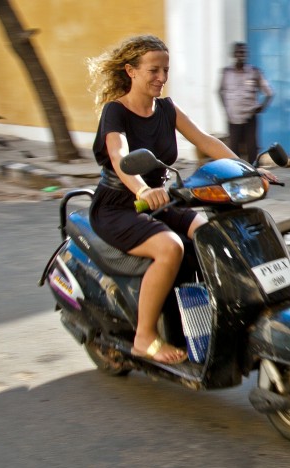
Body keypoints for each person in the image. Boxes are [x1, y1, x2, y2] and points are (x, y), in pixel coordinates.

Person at [87, 35, 276, 364]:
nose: (162, 77)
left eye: (166, 70)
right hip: (119, 206)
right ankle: (144, 337)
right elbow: (120, 155)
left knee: (210, 234)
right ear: (130, 71)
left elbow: (205, 140)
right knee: (169, 247)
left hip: (162, 200)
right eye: (154, 70)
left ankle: (205, 316)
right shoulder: (115, 112)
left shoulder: (167, 109)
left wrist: (248, 171)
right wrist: (142, 189)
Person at [219, 41, 273, 165]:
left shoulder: (254, 72)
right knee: (233, 150)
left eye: (243, 52)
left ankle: (255, 173)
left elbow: (269, 93)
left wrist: (262, 107)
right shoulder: (226, 73)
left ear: (247, 54)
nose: (241, 55)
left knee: (252, 149)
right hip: (233, 119)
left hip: (250, 118)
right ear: (233, 54)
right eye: (238, 52)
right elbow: (220, 91)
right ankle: (236, 175)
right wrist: (227, 110)